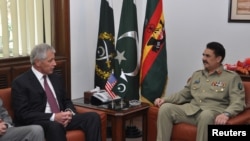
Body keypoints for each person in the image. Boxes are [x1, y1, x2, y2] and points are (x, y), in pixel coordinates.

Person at [154, 42, 245, 141]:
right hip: (192, 110)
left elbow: (238, 102)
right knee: (165, 108)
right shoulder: (197, 75)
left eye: (208, 56)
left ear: (218, 59)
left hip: (212, 112)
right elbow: (184, 94)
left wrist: (226, 114)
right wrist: (165, 99)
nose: (204, 58)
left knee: (206, 115)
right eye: (203, 55)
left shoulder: (231, 77)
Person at [11, 43, 101, 141]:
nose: (55, 63)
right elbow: (23, 114)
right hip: (41, 122)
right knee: (55, 126)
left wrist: (68, 113)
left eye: (54, 59)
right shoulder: (21, 82)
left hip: (61, 118)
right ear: (37, 62)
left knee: (93, 117)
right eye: (50, 60)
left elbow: (66, 100)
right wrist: (53, 117)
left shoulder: (56, 78)